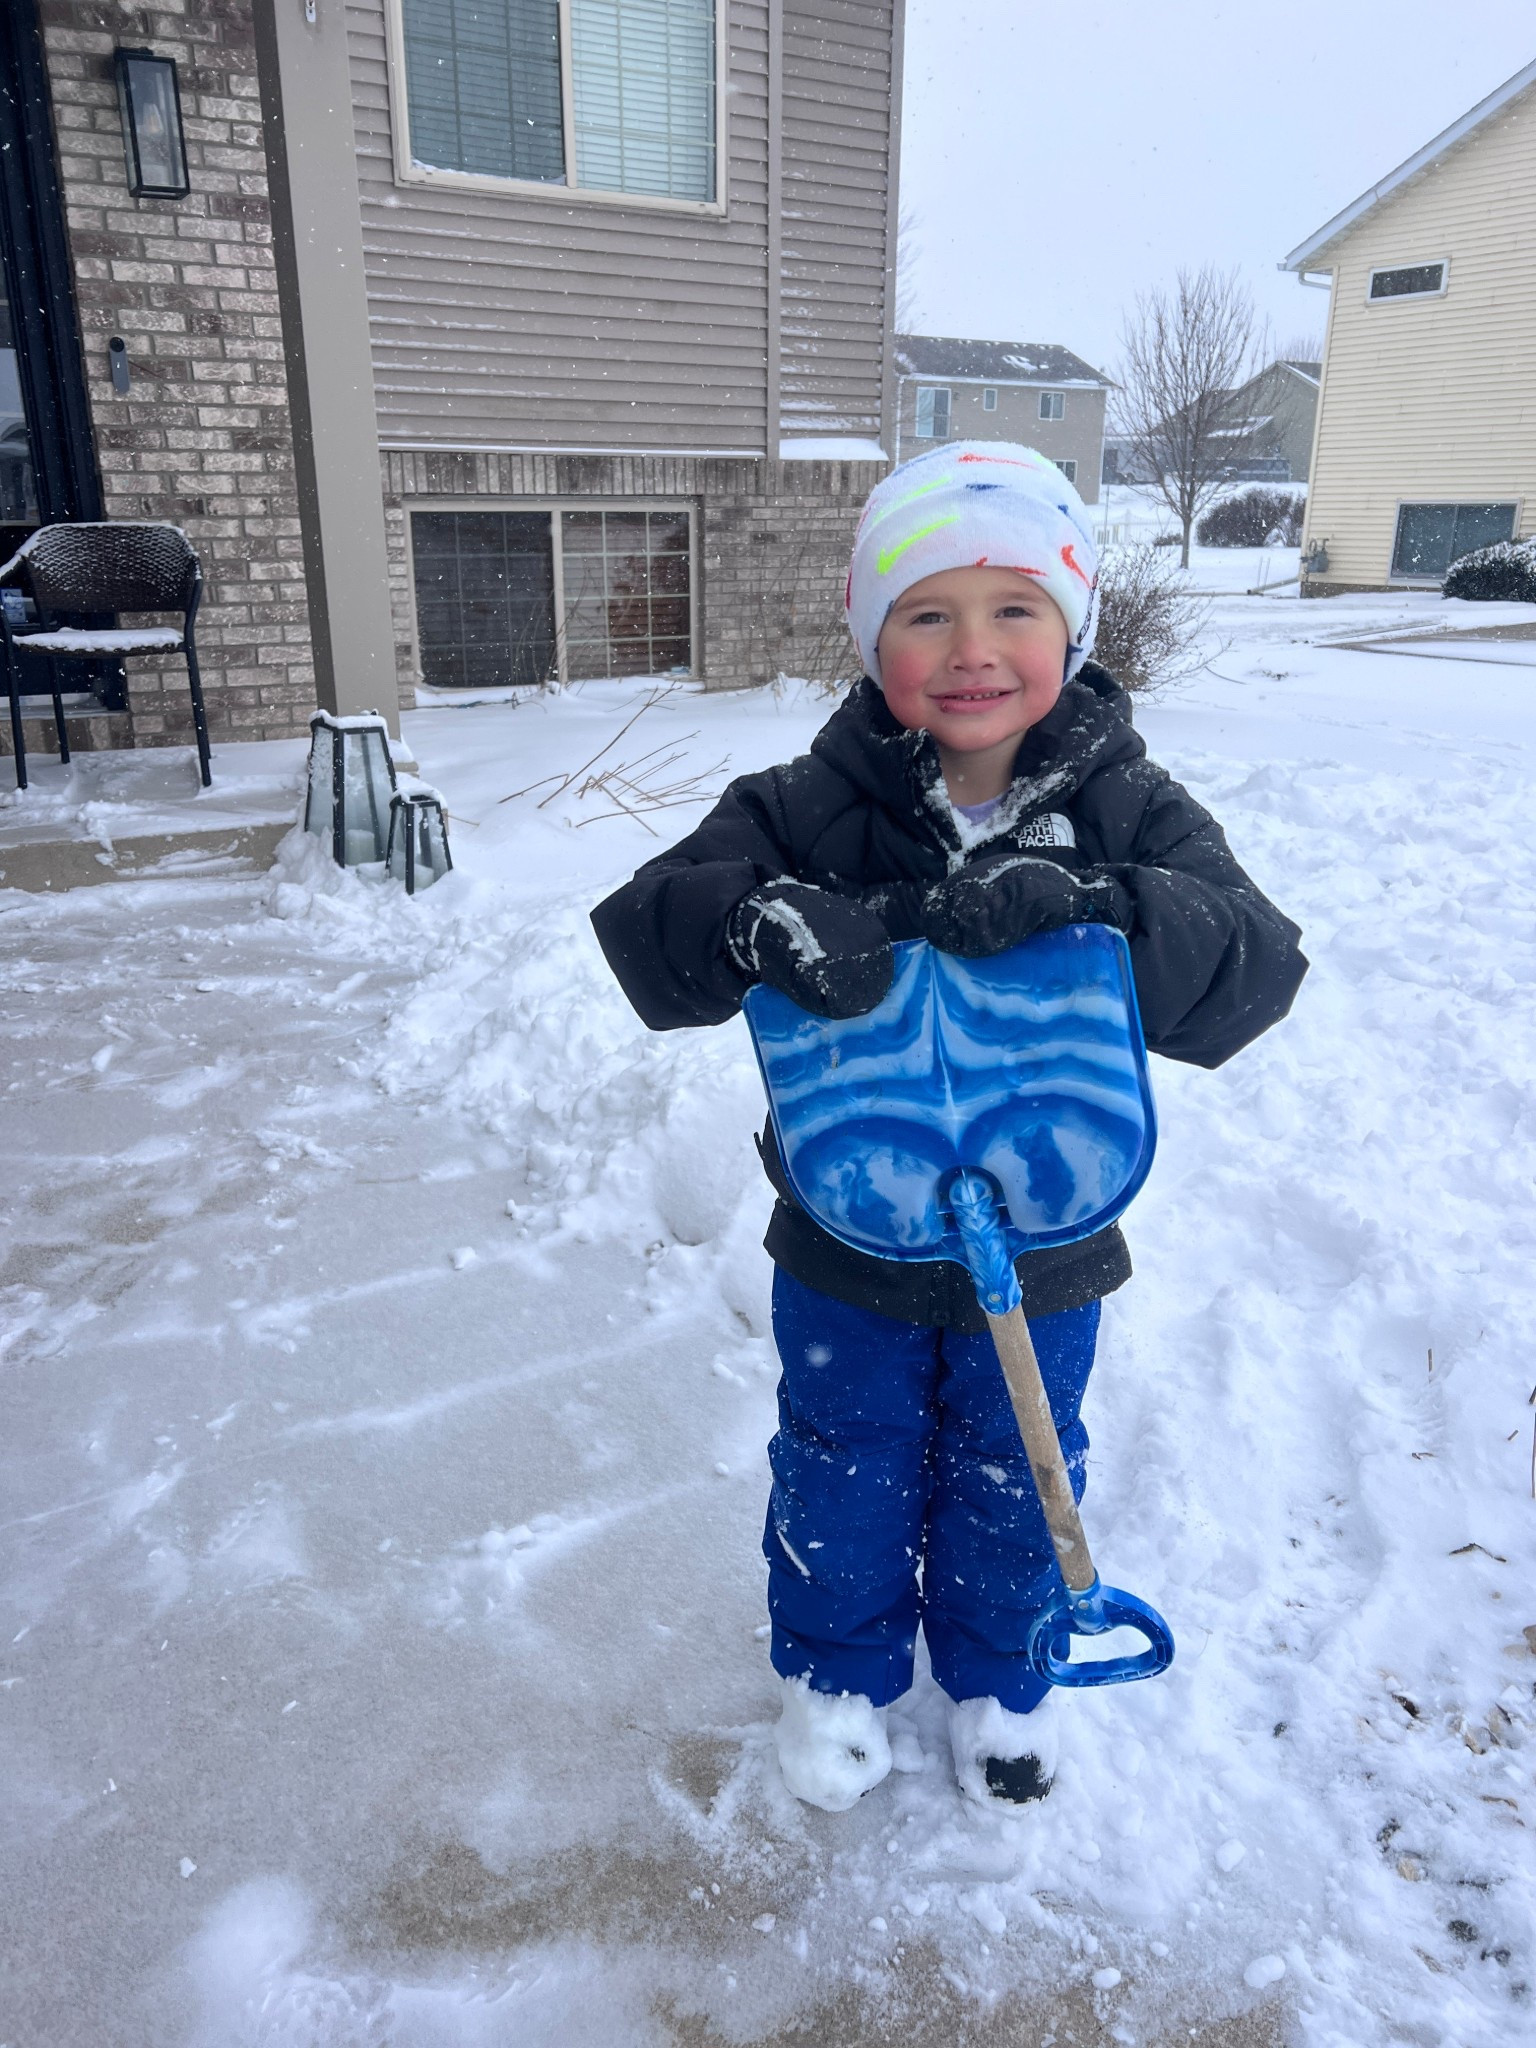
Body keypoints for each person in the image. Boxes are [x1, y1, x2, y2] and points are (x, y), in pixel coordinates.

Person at [591, 443, 1307, 1813]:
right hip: (848, 1238)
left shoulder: (1127, 807)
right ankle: (839, 1682)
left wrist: (1103, 910)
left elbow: (1256, 969)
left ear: (1071, 629)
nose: (972, 649)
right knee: (837, 1464)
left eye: (1014, 609)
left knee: (1017, 1469)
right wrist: (748, 920)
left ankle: (1004, 1683)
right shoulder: (807, 808)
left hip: (1046, 1236)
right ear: (874, 640)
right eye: (927, 612)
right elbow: (650, 936)